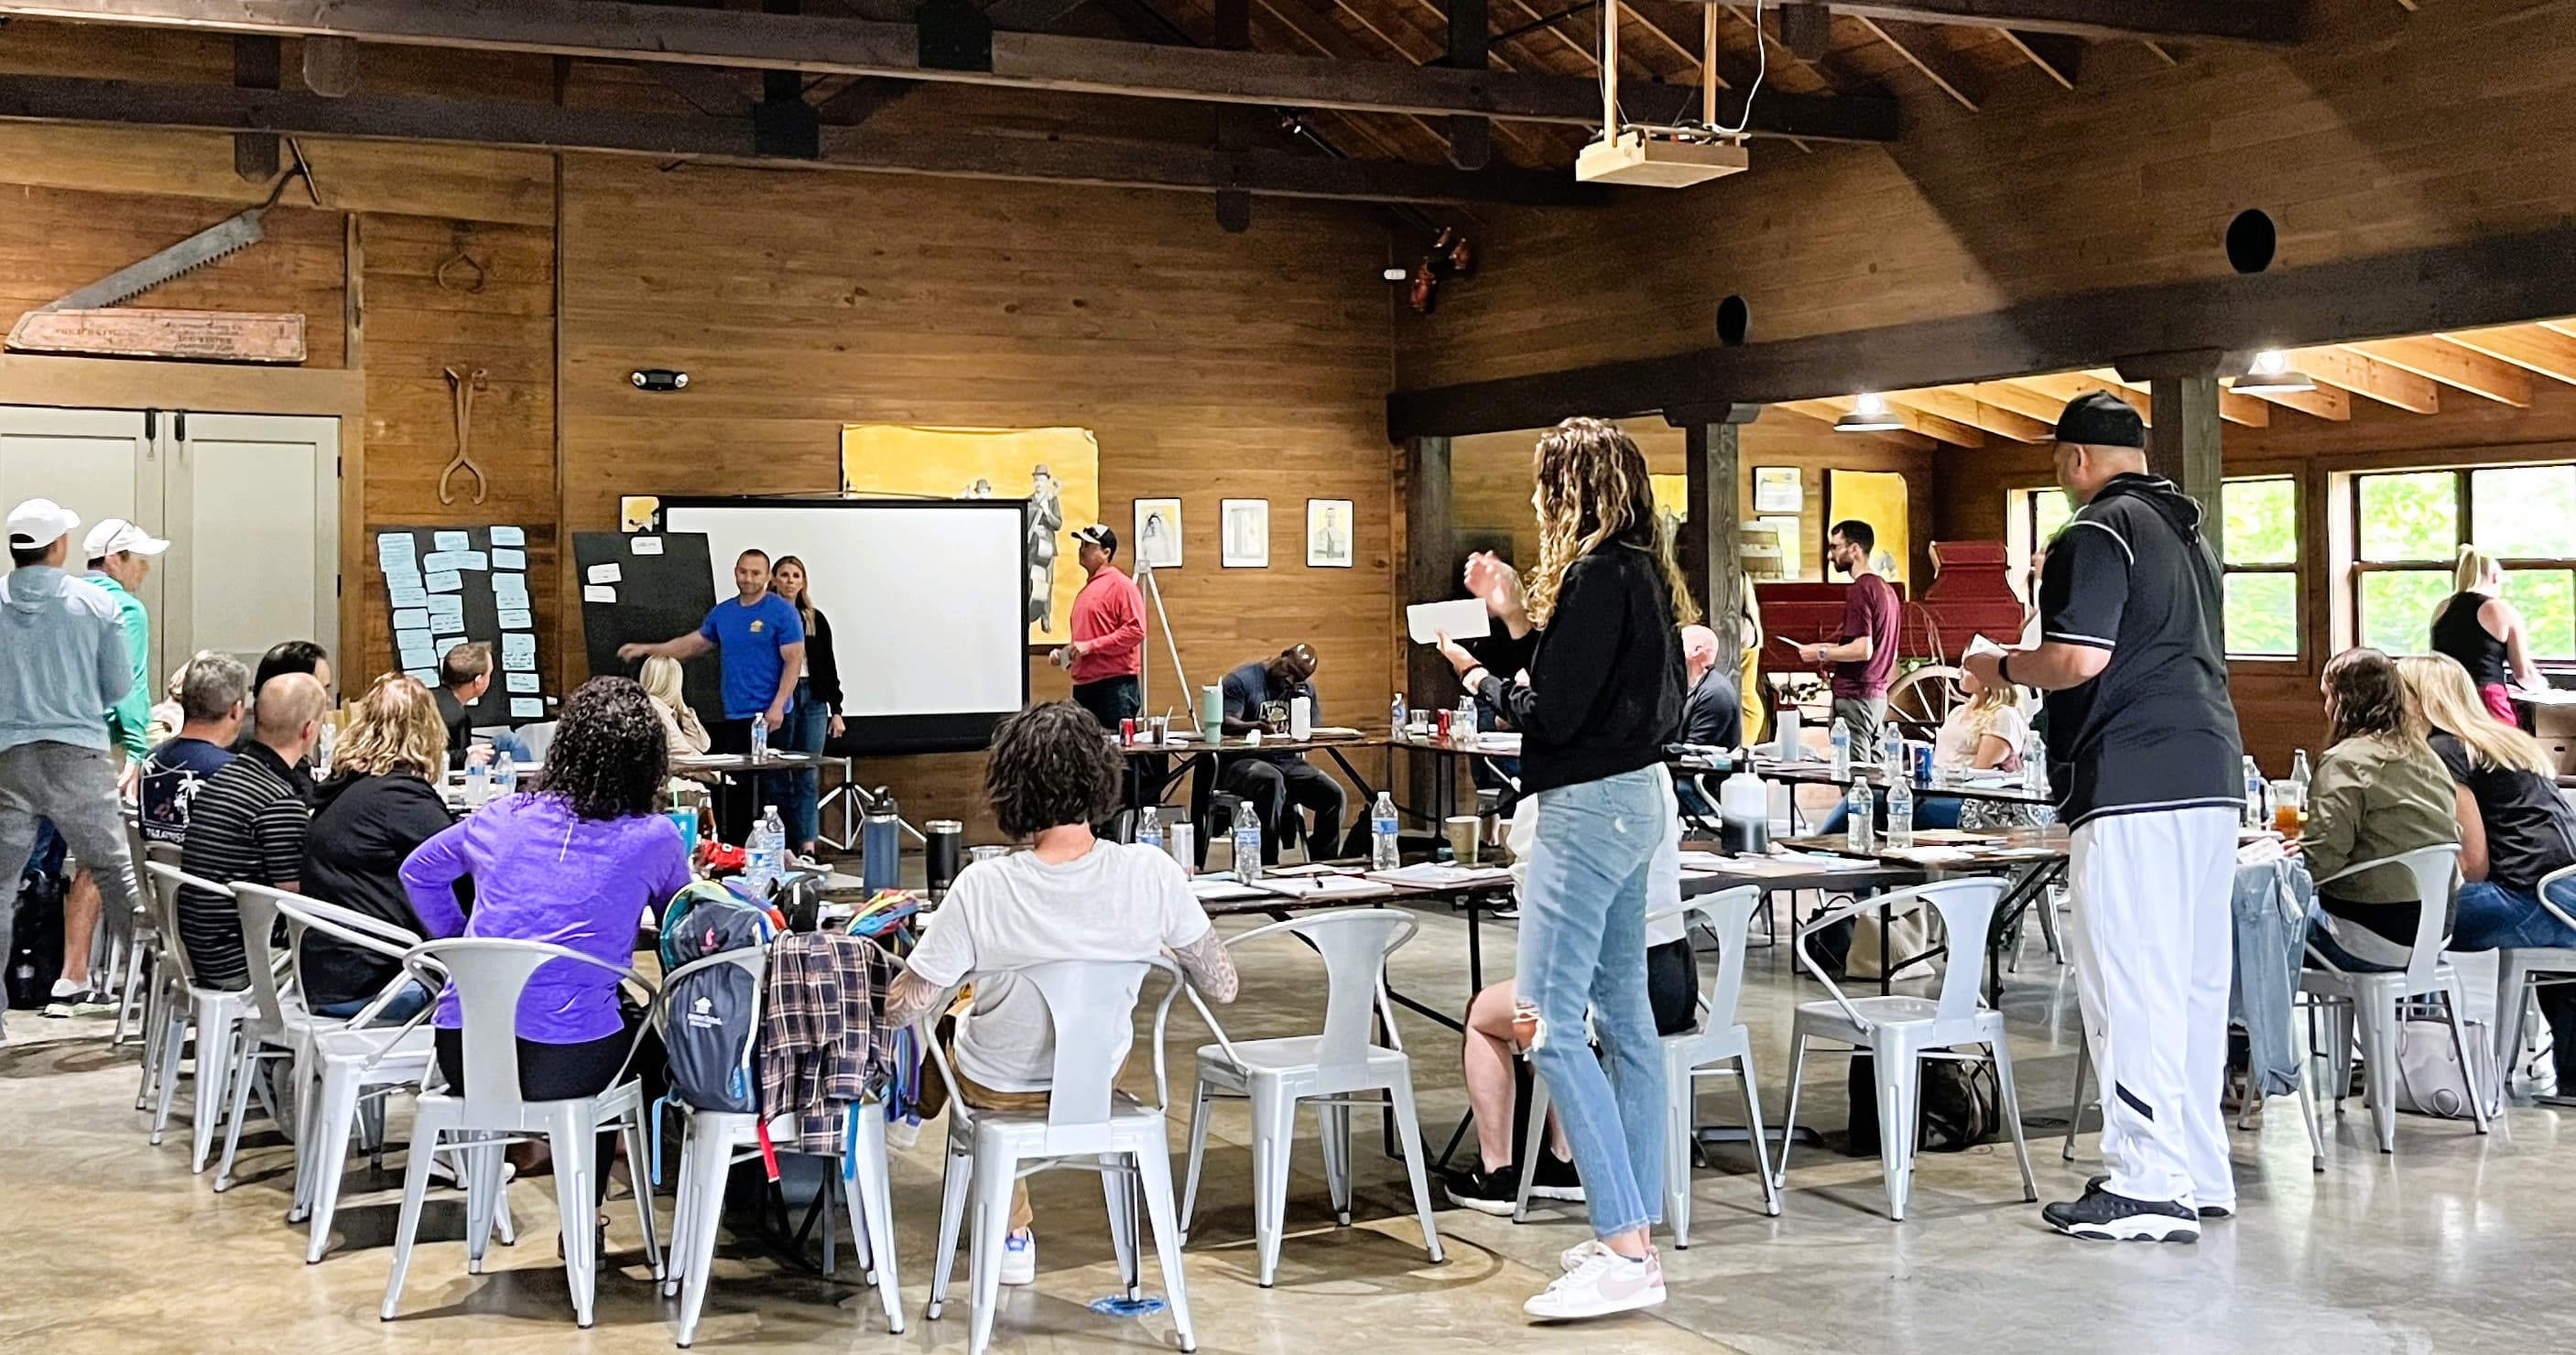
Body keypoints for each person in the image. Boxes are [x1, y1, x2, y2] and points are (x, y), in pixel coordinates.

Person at [1962, 391, 2243, 1241]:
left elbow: (2079, 657)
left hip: (2133, 777)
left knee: (2127, 980)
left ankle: (2145, 1180)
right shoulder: (2189, 536)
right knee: (2193, 983)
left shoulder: (2095, 529)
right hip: (2210, 769)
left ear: (2076, 458)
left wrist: (1999, 663)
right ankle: (2194, 1168)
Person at [1432, 417, 1688, 1319]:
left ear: (1567, 488)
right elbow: (1576, 683)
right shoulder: (1643, 572)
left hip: (1585, 808)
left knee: (1542, 1017)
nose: (1537, 502)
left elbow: (1549, 708)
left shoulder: (1593, 573)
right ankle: (1632, 1231)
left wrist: (1472, 676)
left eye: (1545, 485)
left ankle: (1621, 1243)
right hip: (1634, 800)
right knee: (1620, 1018)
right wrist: (1509, 616)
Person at [886, 700, 1240, 1286]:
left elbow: (907, 1007)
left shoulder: (983, 885)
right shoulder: (1150, 874)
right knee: (983, 1011)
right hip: (1094, 1079)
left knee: (957, 1012)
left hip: (997, 1086)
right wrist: (1160, 951)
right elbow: (1223, 987)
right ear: (1103, 777)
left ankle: (1005, 1221)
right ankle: (1008, 1219)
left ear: (1010, 786)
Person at [401, 677, 693, 1196]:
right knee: (648, 1045)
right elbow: (681, 923)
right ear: (650, 761)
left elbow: (418, 872)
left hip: (463, 1051)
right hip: (566, 1059)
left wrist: (463, 950)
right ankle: (597, 1211)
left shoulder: (499, 816)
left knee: (615, 1021)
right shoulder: (655, 838)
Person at [1447, 796, 1700, 1215]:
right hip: (1674, 981)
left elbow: (1538, 895)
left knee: (1489, 1016)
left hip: (1601, 987)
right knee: (1545, 1013)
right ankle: (1564, 1155)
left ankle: (1500, 1172)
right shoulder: (1655, 779)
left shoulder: (1555, 793)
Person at [0, 499, 148, 1035]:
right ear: (59, 547)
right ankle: (155, 1001)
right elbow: (116, 688)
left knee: (1, 885)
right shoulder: (96, 606)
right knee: (115, 874)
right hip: (79, 758)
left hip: (9, 759)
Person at [2397, 652, 2576, 1082]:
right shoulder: (2502, 739)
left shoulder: (2444, 750)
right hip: (2563, 895)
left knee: (2400, 920)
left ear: (2418, 701)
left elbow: (2472, 865)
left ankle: (2418, 1058)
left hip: (2527, 901)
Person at [36, 516, 168, 1015]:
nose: (145, 572)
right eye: (139, 561)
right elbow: (127, 685)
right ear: (114, 561)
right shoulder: (124, 608)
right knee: (95, 861)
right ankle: (72, 977)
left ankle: (40, 975)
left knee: (40, 869)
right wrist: (138, 748)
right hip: (95, 748)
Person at [618, 548, 805, 844]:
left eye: (756, 573)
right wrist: (647, 650)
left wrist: (778, 706)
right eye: (743, 571)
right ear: (735, 572)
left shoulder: (782, 612)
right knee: (738, 786)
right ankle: (741, 852)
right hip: (736, 713)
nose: (748, 578)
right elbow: (690, 645)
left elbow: (793, 660)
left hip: (771, 715)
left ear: (768, 577)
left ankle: (792, 850)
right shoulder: (724, 613)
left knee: (777, 785)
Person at [299, 675, 452, 1021]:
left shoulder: (341, 791)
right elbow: (461, 873)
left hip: (322, 975)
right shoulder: (403, 802)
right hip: (376, 987)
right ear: (428, 731)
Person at [2301, 647, 2462, 972]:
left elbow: (2322, 863)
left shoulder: (2345, 761)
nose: (2326, 708)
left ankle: (2243, 1022)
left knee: (2268, 924)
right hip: (2438, 928)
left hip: (2371, 934)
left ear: (2345, 703)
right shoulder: (2427, 757)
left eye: (2329, 697)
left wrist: (2289, 857)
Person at [175, 672, 331, 991]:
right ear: (309, 729)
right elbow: (296, 906)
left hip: (199, 947)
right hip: (245, 962)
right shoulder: (278, 801)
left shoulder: (223, 779)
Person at [1217, 644, 1344, 863]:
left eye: (1299, 678)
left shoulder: (1303, 690)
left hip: (1285, 760)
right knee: (1271, 781)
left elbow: (1310, 731)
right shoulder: (1242, 680)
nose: (1291, 680)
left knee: (1333, 795)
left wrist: (1300, 727)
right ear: (1284, 654)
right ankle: (1266, 864)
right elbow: (1224, 723)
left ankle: (1324, 861)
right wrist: (1256, 726)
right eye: (1290, 671)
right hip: (1243, 760)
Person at [1791, 519, 1899, 753]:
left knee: (1854, 776)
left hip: (1855, 696)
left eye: (1834, 547)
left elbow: (1863, 649)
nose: (1830, 556)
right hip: (1876, 696)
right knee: (1873, 774)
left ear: (1854, 549)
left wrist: (1820, 653)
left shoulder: (1861, 589)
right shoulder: (1885, 590)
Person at [768, 556, 845, 857]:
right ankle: (783, 840)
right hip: (780, 697)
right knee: (778, 771)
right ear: (773, 579)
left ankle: (807, 844)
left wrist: (836, 709)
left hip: (813, 697)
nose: (789, 581)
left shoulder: (814, 618)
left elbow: (827, 664)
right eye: (784, 575)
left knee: (807, 771)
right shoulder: (766, 615)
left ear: (803, 582)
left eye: (795, 575)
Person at [139, 651, 249, 846]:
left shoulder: (149, 760)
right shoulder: (234, 772)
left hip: (159, 874)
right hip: (212, 875)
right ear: (236, 710)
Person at [2430, 546, 2547, 724]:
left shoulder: (2441, 609)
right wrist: (2543, 687)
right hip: (2487, 704)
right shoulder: (2500, 610)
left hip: (2446, 703)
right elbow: (2523, 673)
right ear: (2494, 577)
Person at [1051, 525, 1145, 730]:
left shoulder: (1121, 585)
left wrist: (1090, 646)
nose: (1081, 549)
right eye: (1081, 544)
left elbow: (1136, 630)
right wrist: (1065, 654)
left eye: (1088, 545)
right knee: (1087, 754)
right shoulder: (1085, 592)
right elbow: (1088, 641)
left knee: (1115, 755)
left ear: (1106, 552)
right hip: (1084, 686)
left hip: (1114, 686)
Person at [434, 642, 533, 772]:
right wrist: (466, 755)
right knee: (514, 744)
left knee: (508, 741)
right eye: (489, 674)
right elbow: (446, 765)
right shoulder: (456, 717)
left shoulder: (432, 697)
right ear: (478, 682)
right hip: (446, 772)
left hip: (447, 759)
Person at [639, 655, 713, 769]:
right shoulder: (657, 710)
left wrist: (684, 711)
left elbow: (702, 744)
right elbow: (683, 754)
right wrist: (720, 776)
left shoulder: (660, 708)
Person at [1677, 624, 1740, 748]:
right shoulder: (1685, 686)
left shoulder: (1716, 693)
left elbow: (1695, 748)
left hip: (1696, 766)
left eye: (1679, 642)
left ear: (1696, 650)